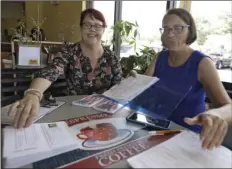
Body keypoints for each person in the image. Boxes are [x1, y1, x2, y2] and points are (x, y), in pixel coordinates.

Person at [8, 8, 122, 129]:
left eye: (97, 26)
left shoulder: (112, 57)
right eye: (87, 24)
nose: (92, 29)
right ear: (81, 27)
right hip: (73, 115)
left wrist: (134, 79)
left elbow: (120, 88)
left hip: (105, 116)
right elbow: (51, 71)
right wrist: (33, 93)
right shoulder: (69, 52)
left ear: (104, 29)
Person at [143, 8, 231, 150]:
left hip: (188, 137)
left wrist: (216, 113)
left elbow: (229, 107)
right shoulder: (160, 57)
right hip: (158, 130)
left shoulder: (202, 63)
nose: (170, 34)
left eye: (178, 28)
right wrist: (134, 78)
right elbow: (141, 88)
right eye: (166, 28)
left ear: (190, 31)